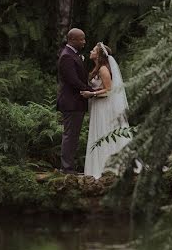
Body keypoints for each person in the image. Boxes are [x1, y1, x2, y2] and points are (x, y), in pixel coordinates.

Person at [82, 42, 132, 178]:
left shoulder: (103, 69)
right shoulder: (98, 68)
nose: (91, 51)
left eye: (93, 50)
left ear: (99, 54)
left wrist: (91, 94)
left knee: (105, 133)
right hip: (98, 105)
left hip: (104, 106)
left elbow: (109, 91)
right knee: (100, 134)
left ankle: (107, 167)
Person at [56, 28, 92, 174]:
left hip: (77, 102)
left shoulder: (73, 55)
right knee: (70, 135)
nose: (84, 42)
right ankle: (67, 168)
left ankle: (70, 166)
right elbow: (73, 80)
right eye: (81, 39)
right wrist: (90, 91)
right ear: (72, 40)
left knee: (73, 135)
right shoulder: (67, 56)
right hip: (71, 102)